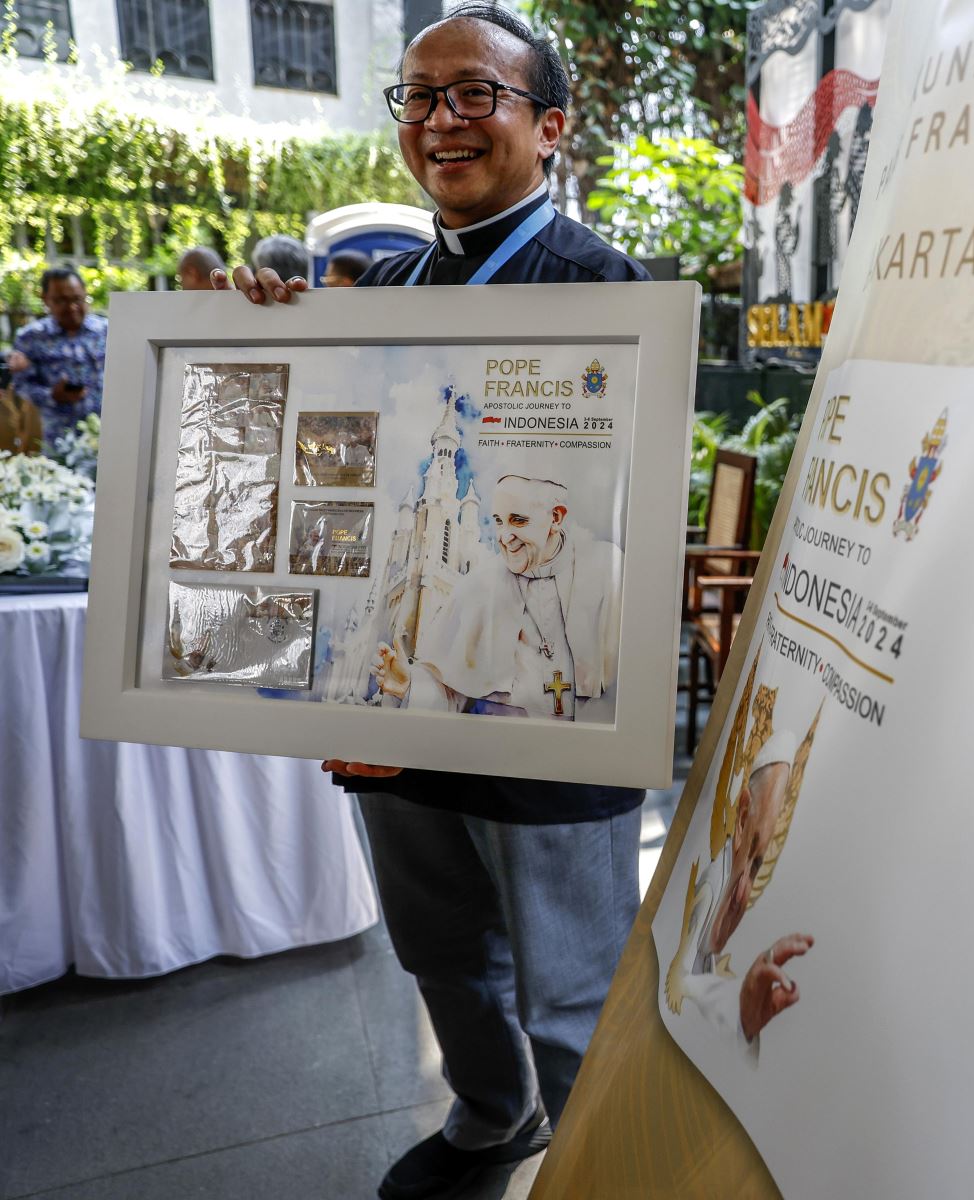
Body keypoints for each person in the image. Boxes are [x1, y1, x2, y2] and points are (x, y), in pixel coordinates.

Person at [215, 5, 649, 1197]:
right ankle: (490, 1113)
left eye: (475, 94)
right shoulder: (389, 288)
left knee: (572, 985)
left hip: (548, 704)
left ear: (548, 126)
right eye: (418, 96)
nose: (440, 120)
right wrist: (259, 348)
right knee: (441, 948)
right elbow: (328, 481)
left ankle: (599, 1166)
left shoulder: (603, 288)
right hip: (396, 688)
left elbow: (622, 523)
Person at [379, 473, 624, 719]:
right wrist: (410, 686)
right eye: (498, 521)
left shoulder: (608, 572)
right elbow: (451, 697)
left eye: (518, 521)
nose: (504, 538)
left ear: (556, 517)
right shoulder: (478, 586)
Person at [665, 732, 814, 1058]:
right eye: (750, 856)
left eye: (758, 864)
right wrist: (738, 1008)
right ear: (743, 817)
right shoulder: (709, 886)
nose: (744, 893)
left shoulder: (730, 883)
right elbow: (677, 980)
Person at [8, 266, 105, 446]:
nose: (72, 307)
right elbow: (21, 386)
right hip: (59, 439)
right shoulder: (31, 338)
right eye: (61, 301)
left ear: (85, 293)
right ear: (45, 300)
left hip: (106, 435)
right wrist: (51, 395)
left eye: (77, 299)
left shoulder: (108, 331)